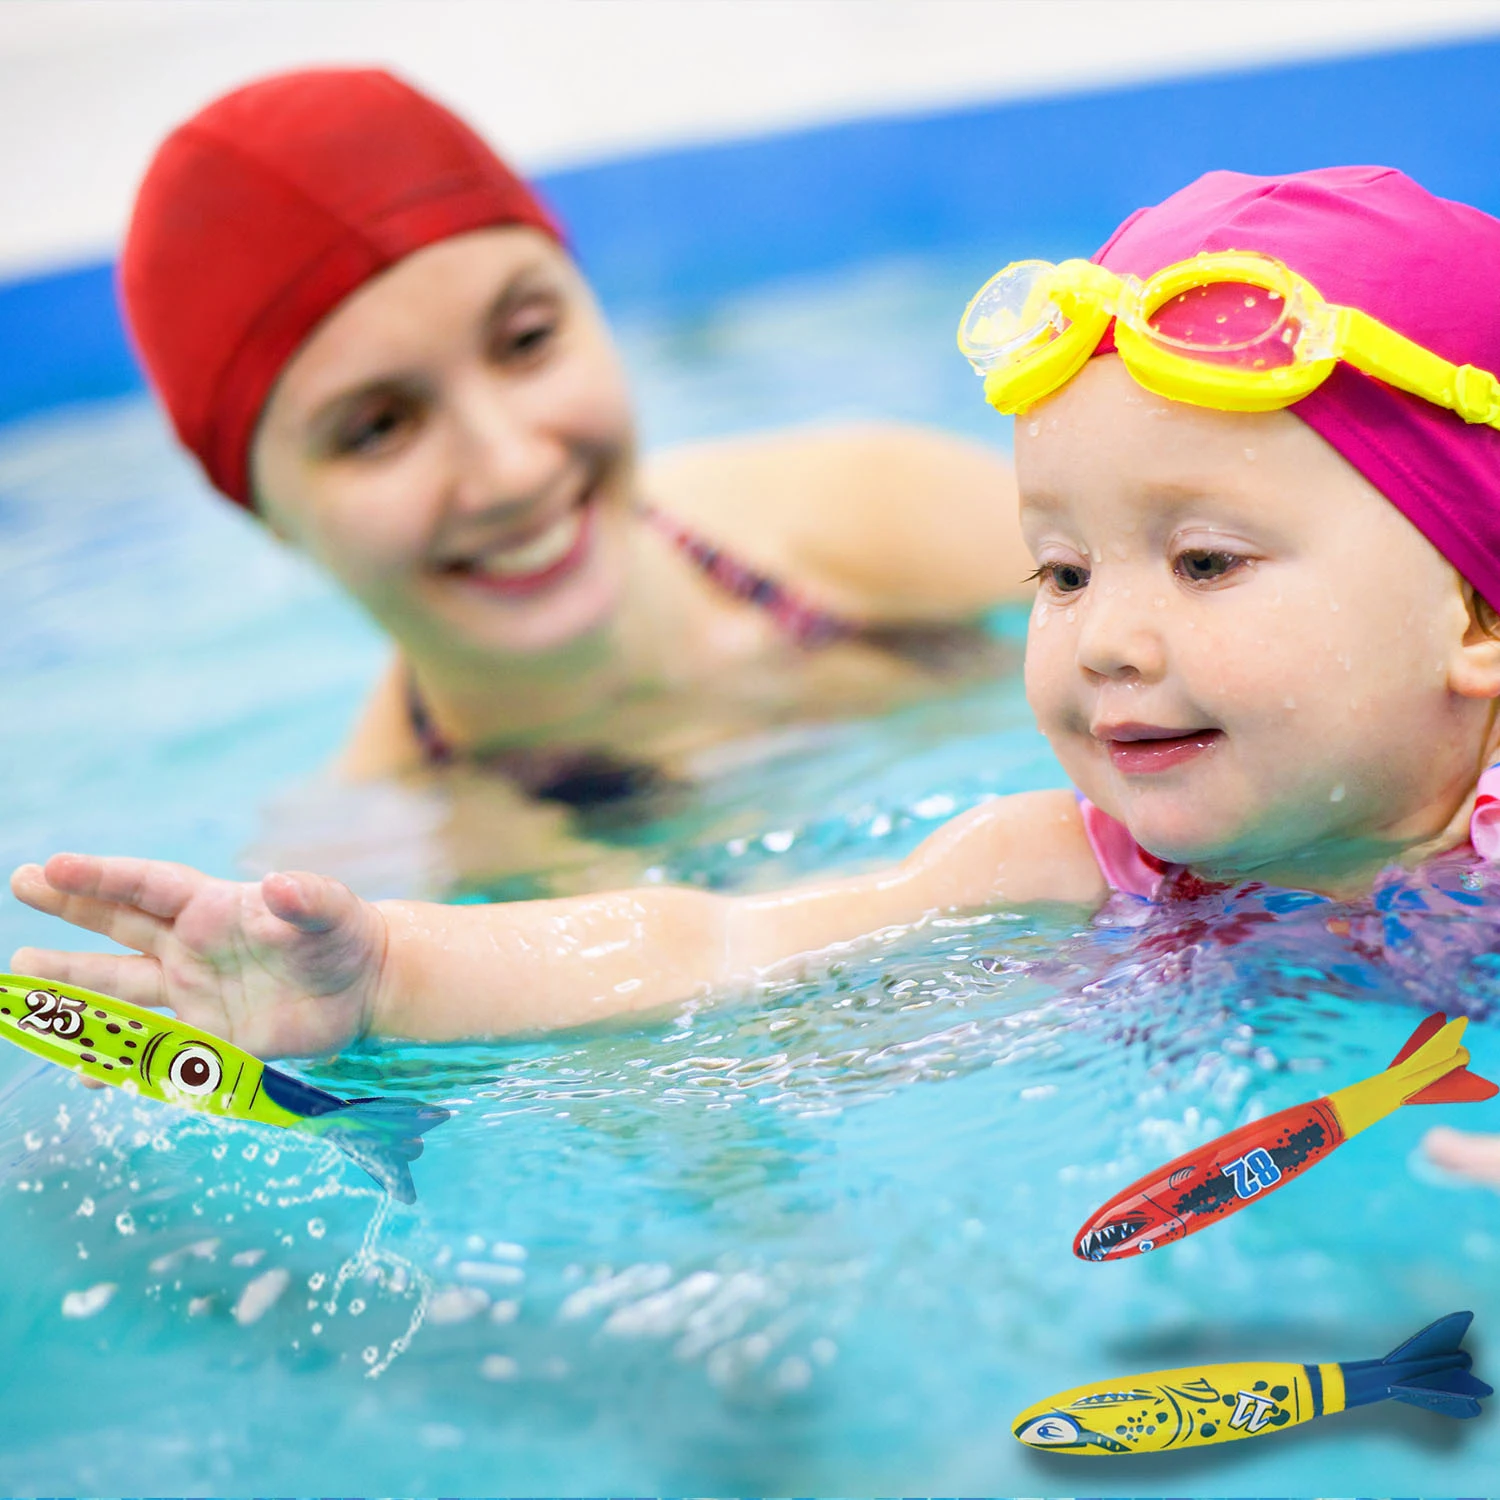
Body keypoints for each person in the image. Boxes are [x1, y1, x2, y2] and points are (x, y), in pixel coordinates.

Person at [18, 165, 1500, 1179]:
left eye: (1205, 563)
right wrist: (389, 975)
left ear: (1474, 622)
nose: (1103, 637)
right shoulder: (1067, 855)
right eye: (1057, 573)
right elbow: (711, 949)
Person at [120, 67, 1031, 892]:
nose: (511, 468)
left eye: (526, 341)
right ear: (264, 512)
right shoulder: (373, 887)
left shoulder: (883, 514)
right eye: (378, 428)